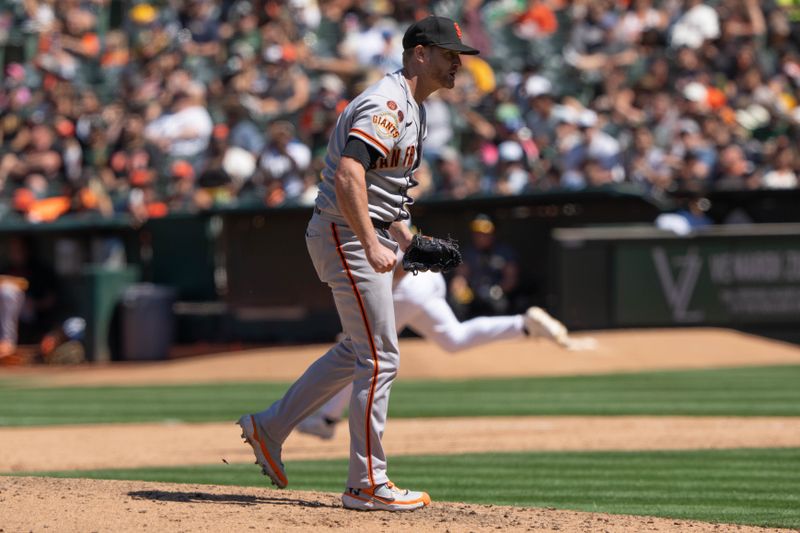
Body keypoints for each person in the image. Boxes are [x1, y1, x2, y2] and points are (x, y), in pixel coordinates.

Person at [237, 16, 480, 512]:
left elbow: (384, 190)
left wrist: (407, 240)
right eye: (448, 53)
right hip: (344, 233)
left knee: (358, 349)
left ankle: (270, 426)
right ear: (418, 53)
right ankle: (366, 482)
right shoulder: (387, 104)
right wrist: (372, 243)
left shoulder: (414, 107)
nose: (457, 63)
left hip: (351, 230)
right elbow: (350, 172)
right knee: (381, 356)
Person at [298, 258, 596, 440]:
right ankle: (523, 325)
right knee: (453, 338)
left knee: (360, 350)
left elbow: (399, 265)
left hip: (406, 284)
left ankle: (326, 419)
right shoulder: (389, 202)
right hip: (429, 280)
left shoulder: (371, 209)